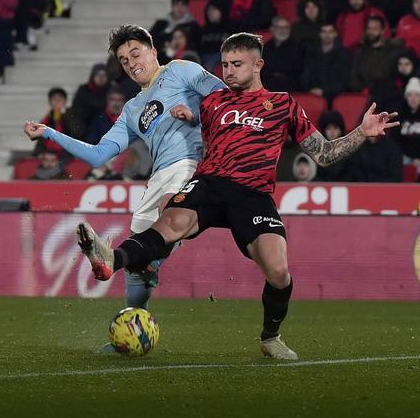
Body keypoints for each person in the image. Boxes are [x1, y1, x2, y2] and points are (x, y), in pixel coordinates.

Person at [75, 32, 399, 359]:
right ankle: (112, 259)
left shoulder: (284, 105)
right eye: (225, 64)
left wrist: (362, 131)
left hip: (253, 195)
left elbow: (325, 154)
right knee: (169, 224)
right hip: (210, 184)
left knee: (278, 271)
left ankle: (270, 337)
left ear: (258, 65)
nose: (228, 71)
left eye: (237, 64)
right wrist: (180, 132)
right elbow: (176, 134)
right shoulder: (211, 101)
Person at [24, 24, 226, 333]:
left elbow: (223, 96)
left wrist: (196, 116)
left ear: (153, 51)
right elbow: (99, 154)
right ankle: (134, 327)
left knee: (165, 215)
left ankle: (143, 261)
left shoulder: (180, 70)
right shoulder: (132, 109)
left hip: (193, 165)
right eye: (123, 60)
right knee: (136, 266)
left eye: (135, 54)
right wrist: (49, 133)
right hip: (159, 176)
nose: (131, 63)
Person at [300, 23, 352, 101]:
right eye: (324, 32)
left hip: (334, 97)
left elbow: (343, 80)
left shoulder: (343, 54)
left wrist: (324, 91)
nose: (327, 35)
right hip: (311, 94)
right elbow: (305, 75)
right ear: (320, 34)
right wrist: (310, 89)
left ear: (335, 34)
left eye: (330, 32)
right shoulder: (312, 53)